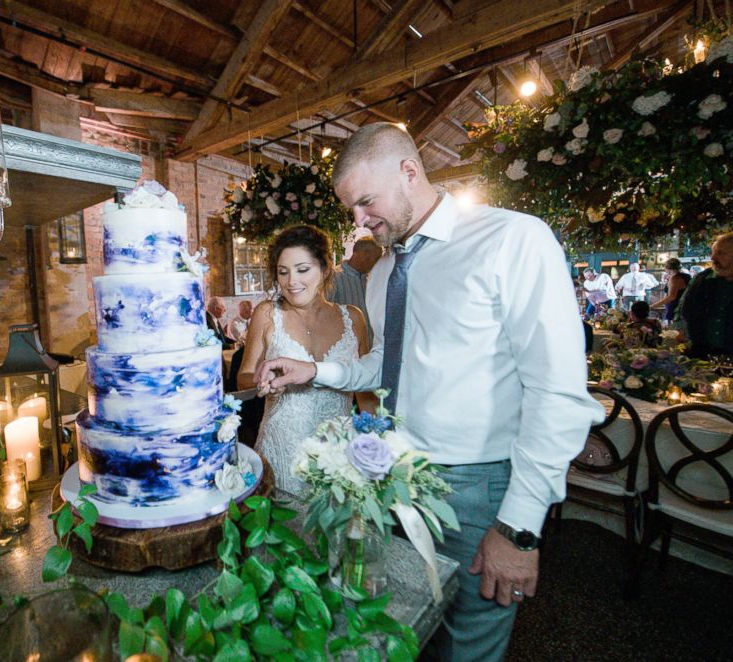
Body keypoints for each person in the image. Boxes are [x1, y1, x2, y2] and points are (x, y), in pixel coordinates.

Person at [253, 123, 602, 662]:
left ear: (409, 173)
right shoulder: (384, 270)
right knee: (400, 634)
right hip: (393, 482)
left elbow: (557, 392)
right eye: (351, 209)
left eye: (365, 203)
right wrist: (314, 372)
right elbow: (387, 367)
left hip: (476, 489)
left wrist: (519, 527)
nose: (358, 222)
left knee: (465, 647)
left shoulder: (512, 240)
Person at [236, 225, 370, 491]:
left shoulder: (353, 318)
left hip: (338, 457)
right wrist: (263, 377)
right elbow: (243, 378)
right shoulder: (266, 314)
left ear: (324, 268)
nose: (291, 281)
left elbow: (366, 390)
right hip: (281, 453)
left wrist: (377, 445)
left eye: (302, 269)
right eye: (283, 272)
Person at [676, 233, 733, 359]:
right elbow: (682, 309)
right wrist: (680, 331)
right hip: (702, 355)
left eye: (721, 253)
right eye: (713, 252)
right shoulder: (702, 279)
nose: (713, 258)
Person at [331, 236, 383, 343]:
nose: (378, 263)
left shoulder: (371, 280)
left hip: (369, 347)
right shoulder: (334, 278)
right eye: (377, 258)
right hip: (345, 347)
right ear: (364, 255)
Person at [652, 258, 690, 322]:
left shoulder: (674, 279)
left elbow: (671, 296)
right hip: (684, 306)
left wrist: (653, 305)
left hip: (675, 308)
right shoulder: (686, 276)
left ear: (667, 268)